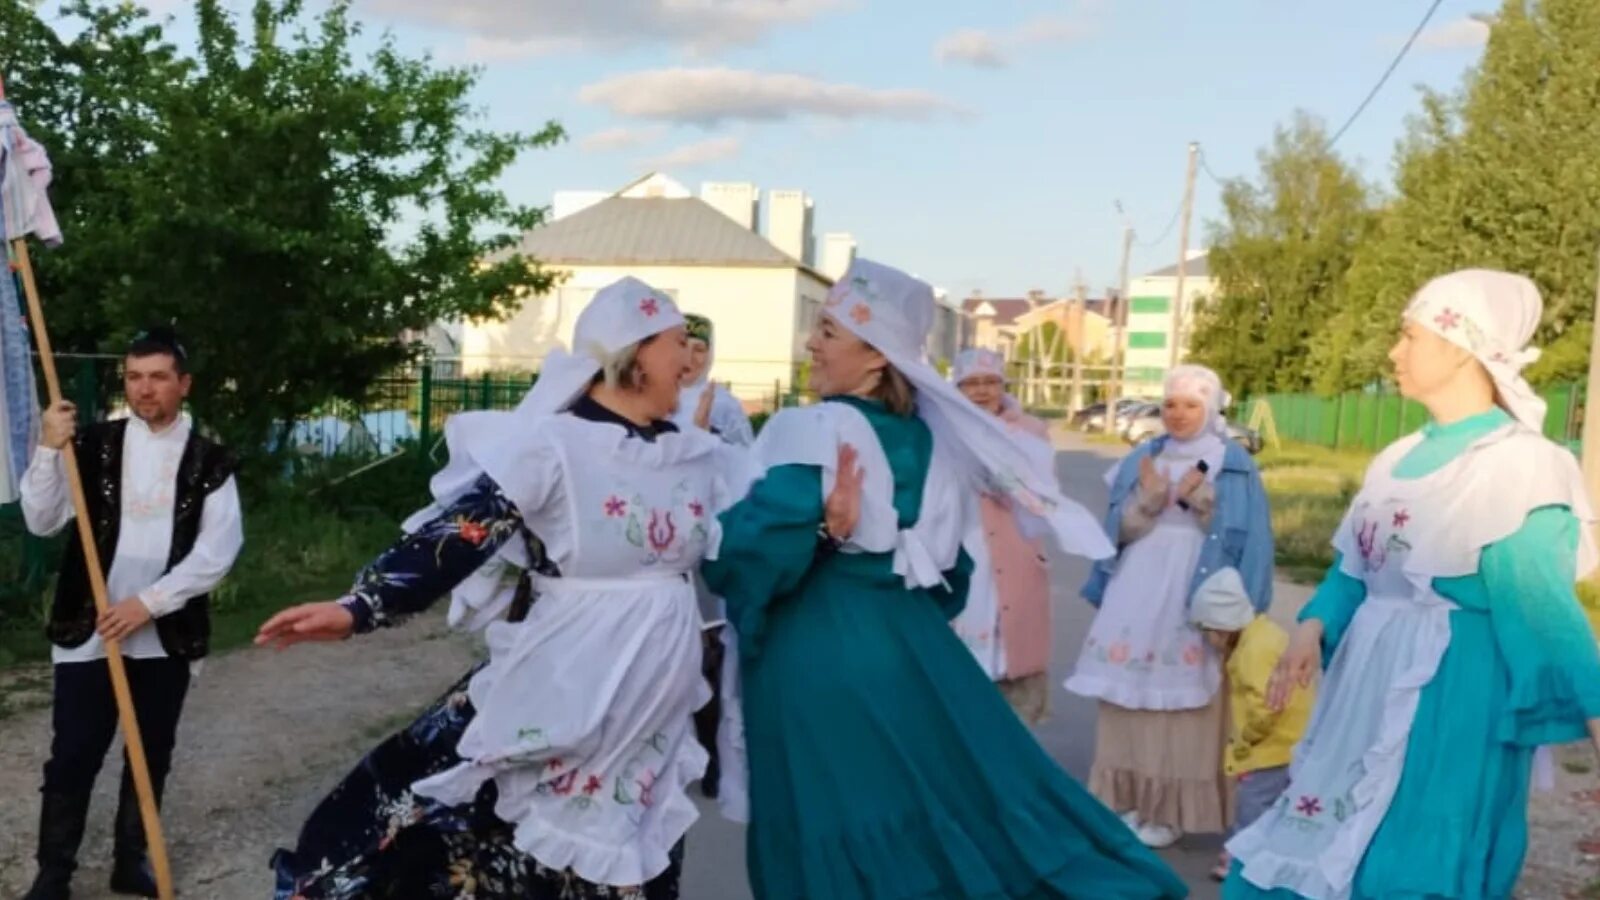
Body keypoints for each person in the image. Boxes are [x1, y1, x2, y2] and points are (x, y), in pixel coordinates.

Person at [259, 278, 805, 899]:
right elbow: (463, 532)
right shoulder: (554, 446)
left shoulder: (697, 455)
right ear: (636, 351)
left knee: (636, 850)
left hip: (653, 705)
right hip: (569, 679)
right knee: (508, 842)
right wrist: (360, 607)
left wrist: (826, 524)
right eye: (680, 343)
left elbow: (753, 534)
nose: (691, 359)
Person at [703, 258, 1188, 899]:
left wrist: (753, 536)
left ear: (876, 358)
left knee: (827, 811)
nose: (810, 344)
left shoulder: (815, 427)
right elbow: (950, 577)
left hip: (818, 650)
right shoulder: (933, 445)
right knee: (933, 800)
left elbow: (749, 549)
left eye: (827, 331)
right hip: (910, 648)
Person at [1224, 269, 1600, 899]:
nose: (1395, 353)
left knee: (1411, 855)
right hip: (1366, 684)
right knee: (1326, 835)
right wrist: (1311, 628)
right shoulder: (1394, 459)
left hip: (1452, 693)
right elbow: (1354, 571)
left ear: (1459, 346)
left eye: (1410, 336)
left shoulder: (1520, 464)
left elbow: (1541, 609)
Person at [20, 327, 244, 900]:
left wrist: (147, 604)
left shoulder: (210, 461)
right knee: (72, 753)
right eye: (135, 377)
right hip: (88, 628)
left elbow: (218, 552)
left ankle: (129, 861)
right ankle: (54, 873)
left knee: (150, 753)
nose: (145, 389)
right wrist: (48, 448)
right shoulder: (91, 445)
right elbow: (40, 521)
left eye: (158, 377)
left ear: (183, 384)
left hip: (163, 634)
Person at [1065, 364, 1275, 849]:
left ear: (1212, 408)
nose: (1178, 414)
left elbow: (1253, 541)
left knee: (1185, 705)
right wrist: (1145, 503)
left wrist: (1205, 507)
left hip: (1194, 590)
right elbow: (1114, 533)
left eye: (1191, 405)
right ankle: (1127, 800)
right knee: (1128, 695)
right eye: (1170, 404)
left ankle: (1168, 810)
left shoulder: (1235, 464)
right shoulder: (1144, 456)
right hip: (1136, 587)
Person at [948, 347, 1058, 725]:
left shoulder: (1028, 430)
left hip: (1013, 546)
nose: (981, 391)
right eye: (971, 384)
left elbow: (1044, 490)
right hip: (962, 538)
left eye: (990, 382)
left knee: (1010, 646)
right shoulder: (941, 425)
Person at [672, 312, 753, 802]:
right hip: (664, 535)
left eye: (702, 349)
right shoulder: (650, 398)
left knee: (710, 646)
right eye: (686, 347)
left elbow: (745, 471)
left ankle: (712, 751)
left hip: (711, 535)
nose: (693, 358)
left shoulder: (724, 406)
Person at [1187, 574, 1312, 881]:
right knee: (1276, 803)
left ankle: (1240, 856)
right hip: (1291, 740)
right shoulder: (1264, 634)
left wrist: (1247, 739)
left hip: (1269, 746)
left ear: (1222, 626)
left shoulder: (1252, 653)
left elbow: (1266, 703)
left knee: (1253, 803)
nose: (1207, 639)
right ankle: (1269, 853)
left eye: (1207, 631)